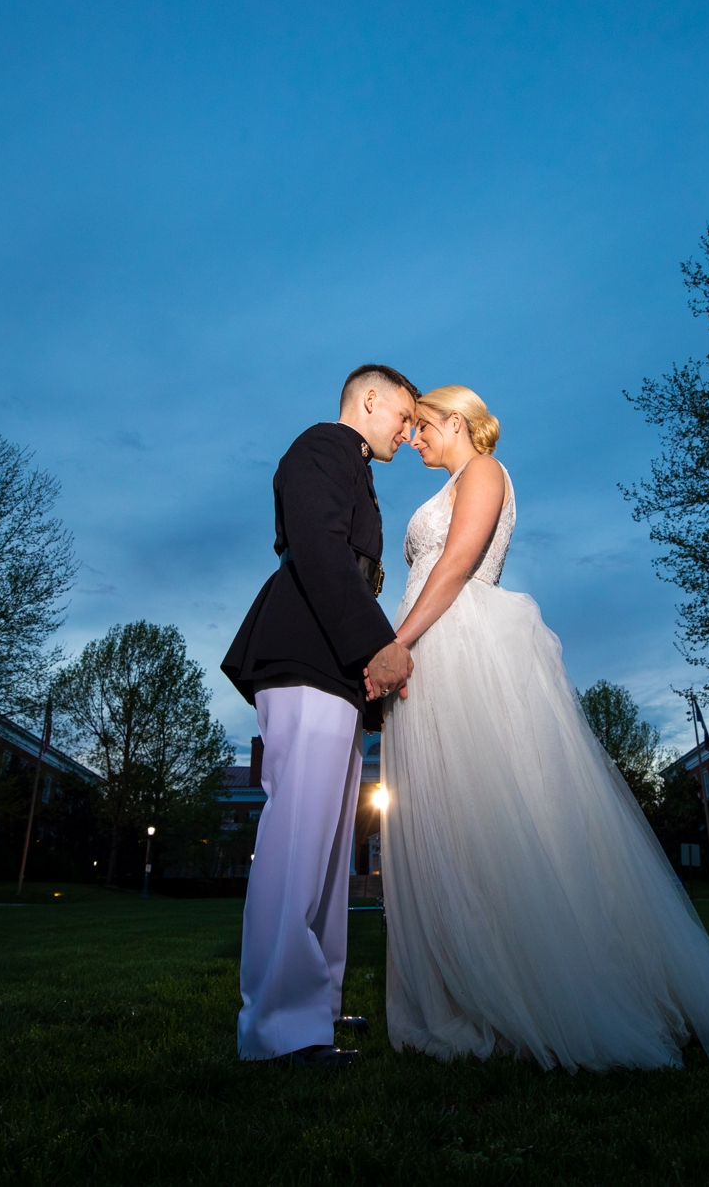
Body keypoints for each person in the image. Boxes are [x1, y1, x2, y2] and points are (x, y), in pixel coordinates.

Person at [380, 384, 709, 1072]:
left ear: (456, 421)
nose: (414, 438)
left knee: (489, 813)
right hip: (436, 647)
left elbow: (455, 566)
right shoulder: (457, 477)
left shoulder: (483, 472)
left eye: (422, 426)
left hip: (456, 642)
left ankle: (534, 991)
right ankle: (467, 988)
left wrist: (404, 642)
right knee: (452, 819)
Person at [221, 364, 420, 1069]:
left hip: (333, 666)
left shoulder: (353, 465)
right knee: (297, 840)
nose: (408, 428)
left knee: (332, 853)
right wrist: (376, 644)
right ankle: (278, 1029)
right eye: (402, 414)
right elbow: (317, 547)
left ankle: (317, 1009)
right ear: (369, 400)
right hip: (306, 652)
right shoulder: (320, 447)